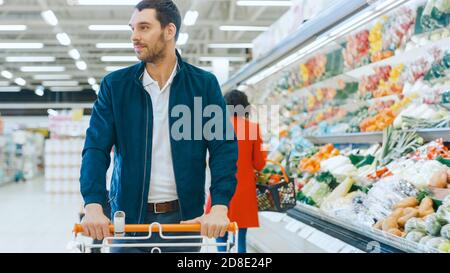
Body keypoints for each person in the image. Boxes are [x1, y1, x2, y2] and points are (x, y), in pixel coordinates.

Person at [79, 0, 238, 253]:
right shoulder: (115, 86)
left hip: (185, 221)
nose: (134, 37)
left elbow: (223, 149)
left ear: (169, 31)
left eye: (144, 28)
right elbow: (95, 149)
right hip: (129, 221)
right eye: (132, 29)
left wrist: (219, 206)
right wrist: (93, 205)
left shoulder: (203, 85)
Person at [206, 90, 267, 253]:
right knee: (241, 234)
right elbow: (259, 164)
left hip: (221, 184)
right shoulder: (252, 128)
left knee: (220, 229)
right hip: (244, 188)